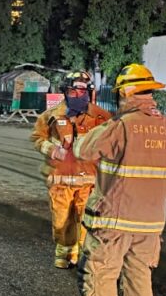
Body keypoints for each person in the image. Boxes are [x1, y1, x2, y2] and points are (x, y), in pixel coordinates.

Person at [64, 63, 166, 296]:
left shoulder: (121, 127)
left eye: (119, 93)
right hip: (152, 221)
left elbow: (83, 150)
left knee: (101, 274)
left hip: (114, 218)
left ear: (127, 92)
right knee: (139, 275)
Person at [31, 70, 111, 268]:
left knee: (86, 218)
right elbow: (36, 137)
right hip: (60, 179)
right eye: (74, 91)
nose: (78, 95)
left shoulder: (101, 117)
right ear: (65, 91)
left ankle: (84, 255)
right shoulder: (51, 116)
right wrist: (51, 149)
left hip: (89, 181)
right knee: (61, 219)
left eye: (82, 91)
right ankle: (64, 253)